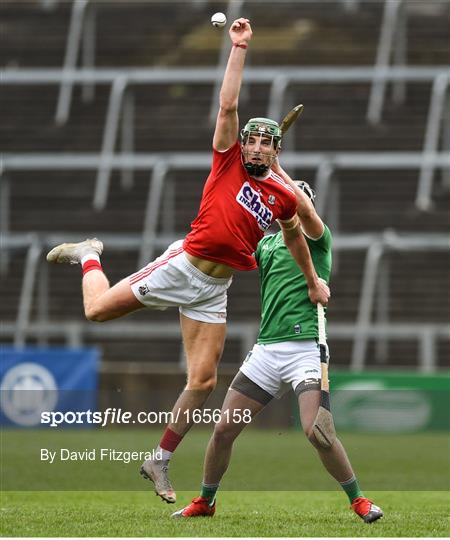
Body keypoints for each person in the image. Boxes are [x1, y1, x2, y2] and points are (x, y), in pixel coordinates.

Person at [46, 18, 329, 504]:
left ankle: (158, 458)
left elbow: (300, 239)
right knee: (96, 312)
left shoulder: (283, 195)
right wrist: (238, 48)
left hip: (214, 289)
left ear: (277, 150)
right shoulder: (227, 160)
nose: (257, 146)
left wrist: (311, 280)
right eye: (252, 140)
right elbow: (227, 105)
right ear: (242, 144)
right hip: (184, 266)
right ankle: (90, 255)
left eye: (267, 141)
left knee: (202, 381)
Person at [172, 168, 384, 524]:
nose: (288, 197)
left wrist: (274, 170)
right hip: (267, 351)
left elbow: (302, 209)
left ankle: (359, 500)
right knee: (224, 429)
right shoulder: (266, 243)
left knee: (315, 430)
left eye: (297, 194)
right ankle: (206, 501)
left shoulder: (318, 239)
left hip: (306, 349)